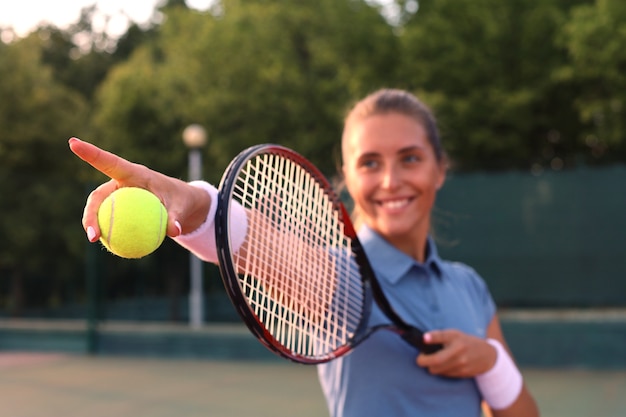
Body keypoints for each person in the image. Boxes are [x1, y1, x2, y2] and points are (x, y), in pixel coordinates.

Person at [69, 88, 539, 417]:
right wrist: (193, 204)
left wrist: (493, 364)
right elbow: (251, 241)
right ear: (348, 178)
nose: (391, 180)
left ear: (440, 169)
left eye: (411, 158)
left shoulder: (469, 285)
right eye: (370, 163)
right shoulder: (338, 280)